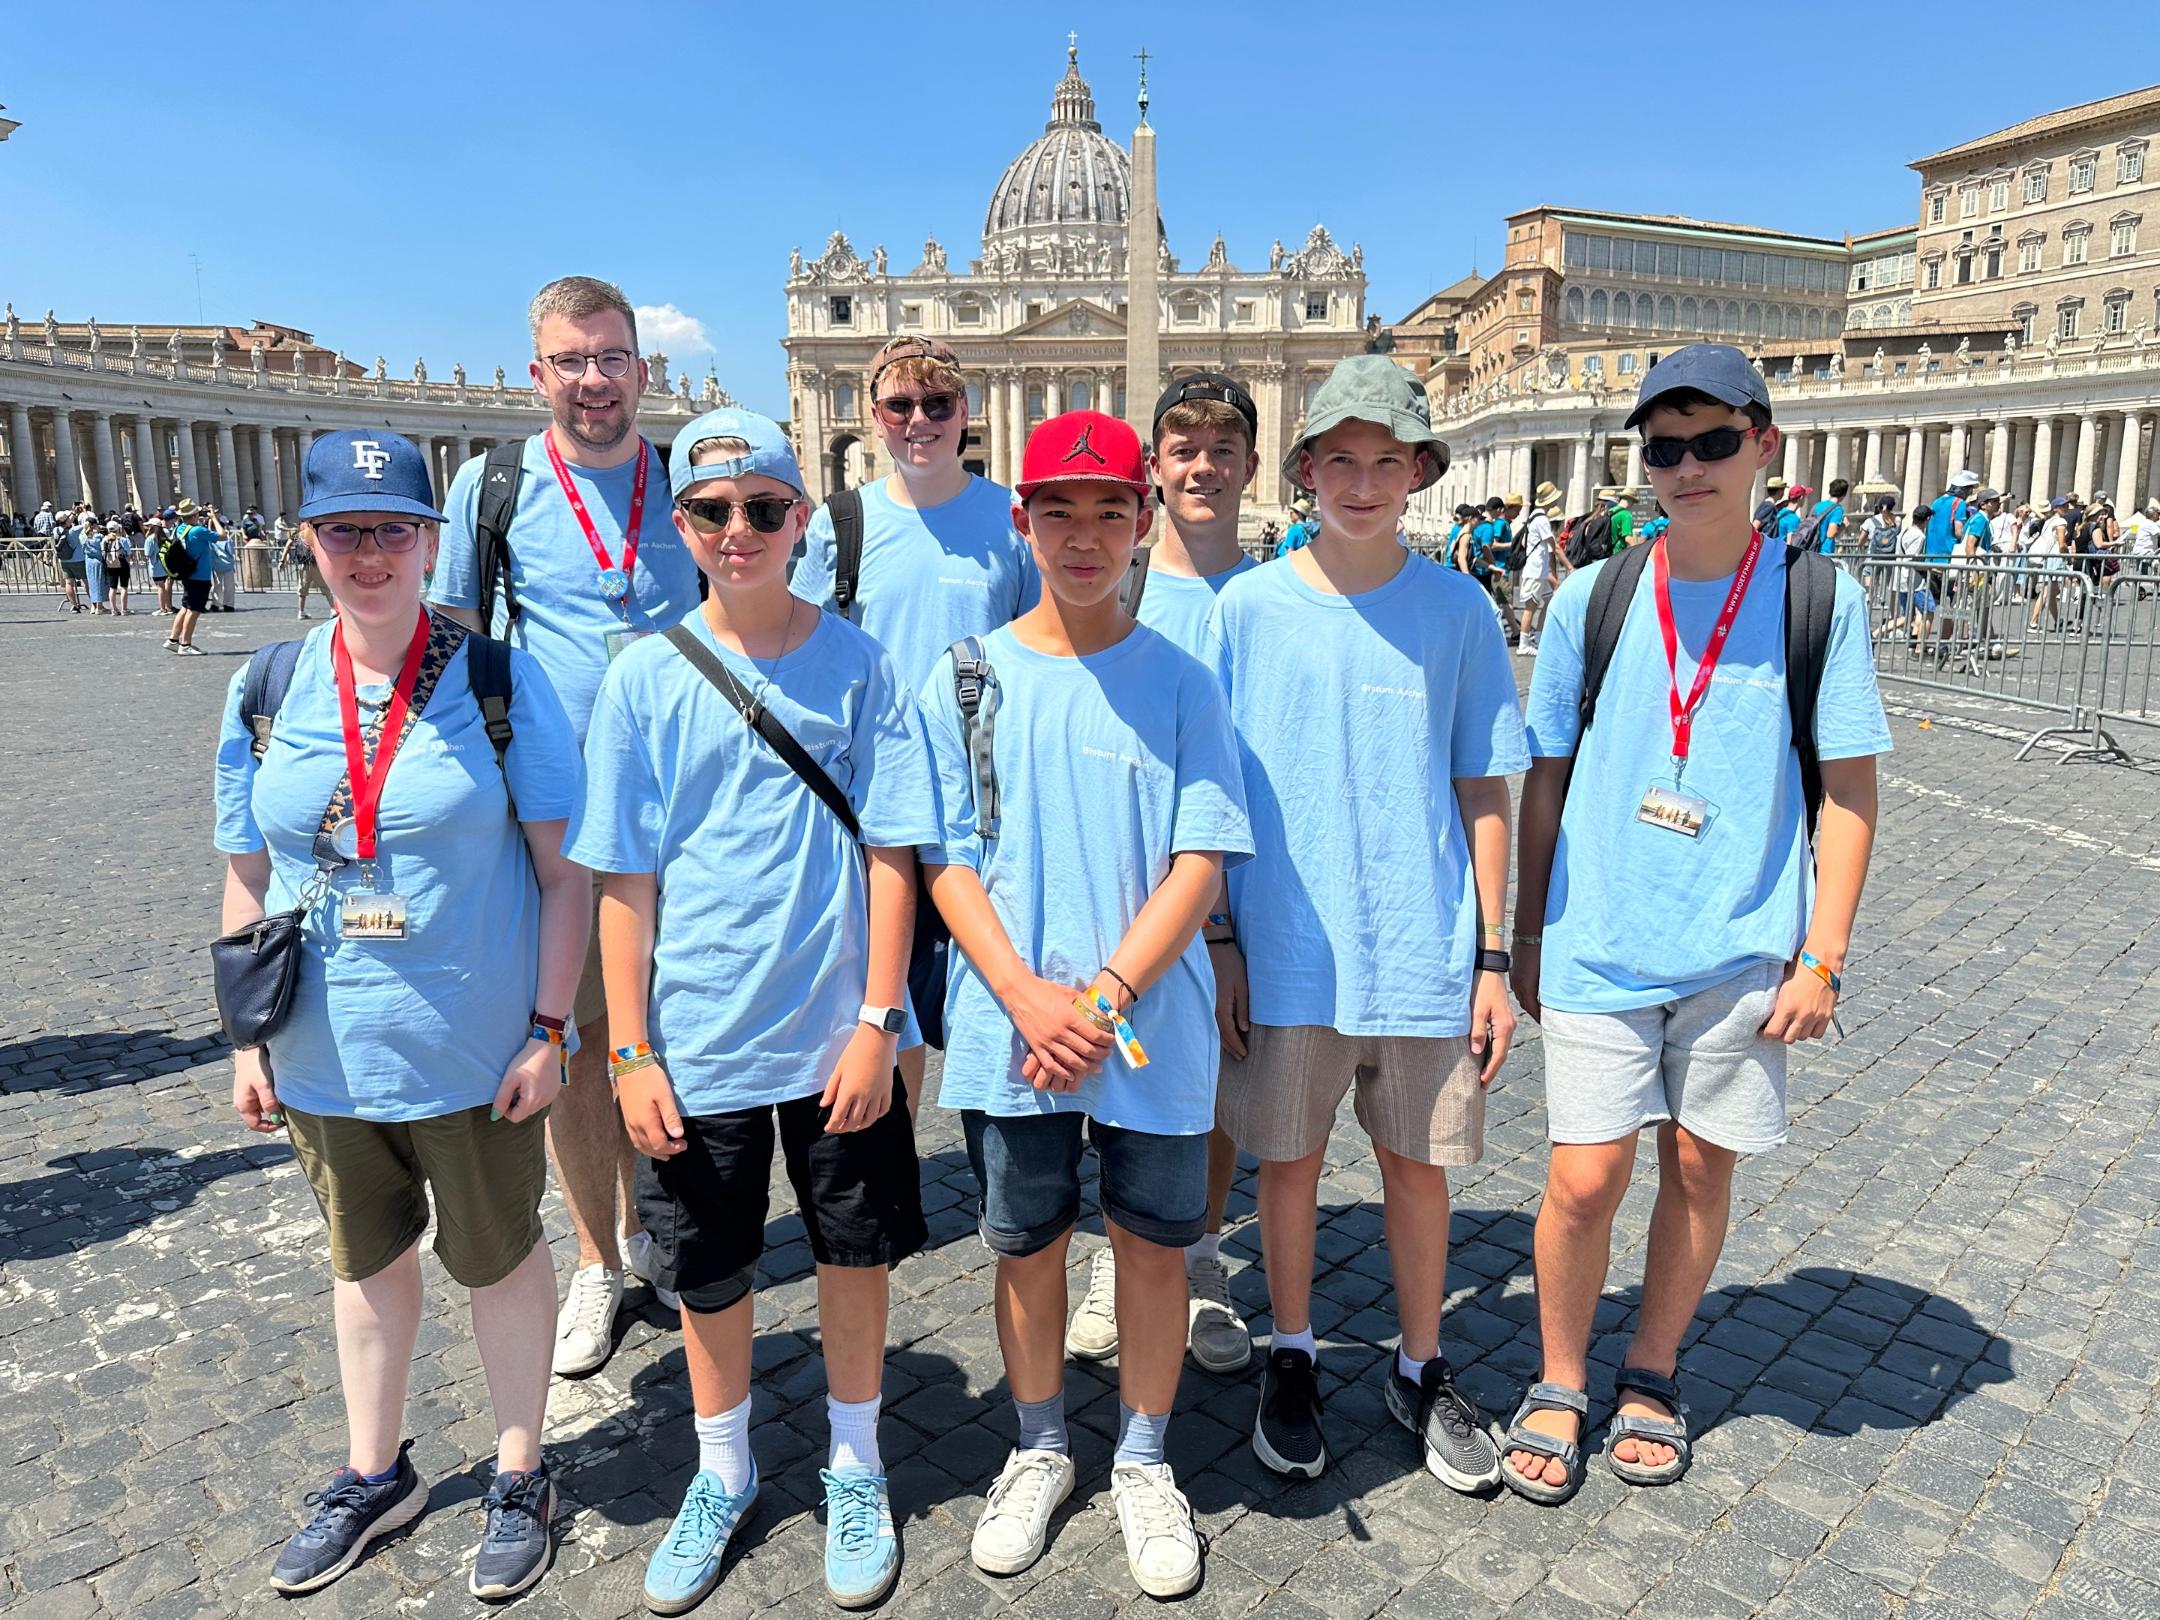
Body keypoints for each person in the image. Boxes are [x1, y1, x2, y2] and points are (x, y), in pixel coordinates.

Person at [1505, 343, 1890, 1504]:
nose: (1687, 467)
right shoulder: (1596, 594)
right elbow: (1547, 780)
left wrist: (1823, 954)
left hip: (1742, 943)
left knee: (1697, 1165)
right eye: (1663, 448)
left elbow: (1851, 797)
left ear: (1764, 445)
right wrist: (1523, 933)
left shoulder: (1820, 598)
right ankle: (1561, 1377)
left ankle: (1654, 1373)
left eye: (1713, 441)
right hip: (1596, 936)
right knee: (1582, 1178)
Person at [568, 409, 933, 1613]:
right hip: (700, 1032)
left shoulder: (862, 663)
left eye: (765, 509)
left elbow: (893, 853)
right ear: (682, 528)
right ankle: (722, 1469)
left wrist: (882, 1018)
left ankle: (856, 1455)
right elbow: (623, 883)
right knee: (709, 1272)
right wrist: (628, 1049)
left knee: (852, 1249)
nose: (741, 531)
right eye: (716, 512)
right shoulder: (639, 677)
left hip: (838, 1030)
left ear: (799, 521)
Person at [215, 429, 586, 1600]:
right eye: (344, 531)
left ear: (429, 543)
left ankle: (522, 1469)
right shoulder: (264, 687)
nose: (369, 553)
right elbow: (245, 872)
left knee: (501, 1260)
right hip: (324, 1051)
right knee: (363, 1267)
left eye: (392, 530)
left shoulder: (498, 681)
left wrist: (550, 1028)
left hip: (476, 1053)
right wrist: (245, 1037)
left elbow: (565, 874)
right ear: (311, 542)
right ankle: (377, 1472)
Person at [918, 409, 1251, 1599]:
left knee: (1154, 1253)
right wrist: (1020, 991)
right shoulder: (963, 675)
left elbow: (1200, 858)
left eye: (1111, 510)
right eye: (1059, 510)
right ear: (1024, 522)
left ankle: (1147, 1457)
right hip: (1015, 1020)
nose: (1084, 534)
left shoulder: (1182, 680)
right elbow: (945, 858)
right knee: (1026, 1247)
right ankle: (1043, 1443)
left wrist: (1103, 995)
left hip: (1138, 1025)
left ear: (1142, 522)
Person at [1206, 355, 1526, 1494]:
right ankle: (1290, 1351)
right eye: (1340, 458)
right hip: (1289, 947)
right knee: (1283, 1168)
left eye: (1387, 459)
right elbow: (1213, 791)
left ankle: (1423, 1361)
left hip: (1424, 944)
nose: (1363, 480)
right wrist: (1222, 942)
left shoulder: (1457, 608)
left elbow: (1487, 785)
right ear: (1303, 474)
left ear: (1419, 473)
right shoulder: (1246, 608)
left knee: (1418, 1170)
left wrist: (1495, 954)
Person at [431, 275, 704, 1377]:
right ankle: (602, 1252)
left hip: (687, 818)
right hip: (554, 829)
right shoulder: (488, 489)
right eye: (572, 360)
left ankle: (678, 1234)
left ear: (644, 368)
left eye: (612, 357)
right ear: (537, 371)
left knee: (683, 1040)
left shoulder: (695, 486)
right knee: (579, 1045)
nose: (595, 379)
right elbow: (449, 635)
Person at [1064, 373, 1262, 1378]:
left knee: (1222, 1079)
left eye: (1222, 449)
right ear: (1156, 467)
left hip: (1251, 878)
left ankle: (1206, 1248)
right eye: (1184, 447)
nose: (1203, 466)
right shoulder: (1114, 582)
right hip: (1136, 878)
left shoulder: (1286, 588)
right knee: (1122, 1077)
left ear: (1251, 467)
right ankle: (1118, 1252)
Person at [791, 335, 1040, 1117]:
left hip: (986, 793)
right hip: (874, 796)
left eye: (938, 404)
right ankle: (889, 1169)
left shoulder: (1012, 519)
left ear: (965, 412)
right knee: (882, 996)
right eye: (901, 405)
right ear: (875, 418)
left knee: (992, 977)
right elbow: (803, 650)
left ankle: (1003, 1164)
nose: (920, 421)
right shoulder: (841, 522)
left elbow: (1041, 652)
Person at [1514, 480, 1569, 655]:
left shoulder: (1533, 518)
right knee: (1530, 607)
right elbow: (1554, 546)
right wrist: (1569, 565)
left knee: (1548, 600)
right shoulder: (1542, 520)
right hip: (1535, 569)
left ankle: (1538, 635)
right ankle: (1523, 643)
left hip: (1540, 569)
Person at [163, 499, 218, 655]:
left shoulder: (180, 529)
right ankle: (185, 644)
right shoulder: (198, 531)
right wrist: (213, 519)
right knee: (194, 610)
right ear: (195, 515)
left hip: (187, 573)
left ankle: (173, 640)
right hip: (200, 576)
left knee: (185, 607)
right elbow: (222, 535)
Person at [1803, 479, 1849, 554]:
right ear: (1844, 494)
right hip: (1824, 551)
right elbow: (1830, 534)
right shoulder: (1837, 509)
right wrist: (1844, 525)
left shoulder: (1817, 505)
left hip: (1810, 548)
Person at [208, 508, 241, 611]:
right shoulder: (227, 539)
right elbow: (231, 552)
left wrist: (211, 519)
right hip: (227, 564)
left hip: (216, 565)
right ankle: (228, 605)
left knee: (217, 585)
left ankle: (216, 604)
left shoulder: (211, 539)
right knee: (229, 587)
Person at [101, 518, 133, 615]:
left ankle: (113, 609)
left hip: (110, 564)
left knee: (112, 587)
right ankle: (124, 609)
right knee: (124, 587)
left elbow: (102, 553)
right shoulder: (122, 539)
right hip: (122, 563)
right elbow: (129, 552)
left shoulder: (104, 540)